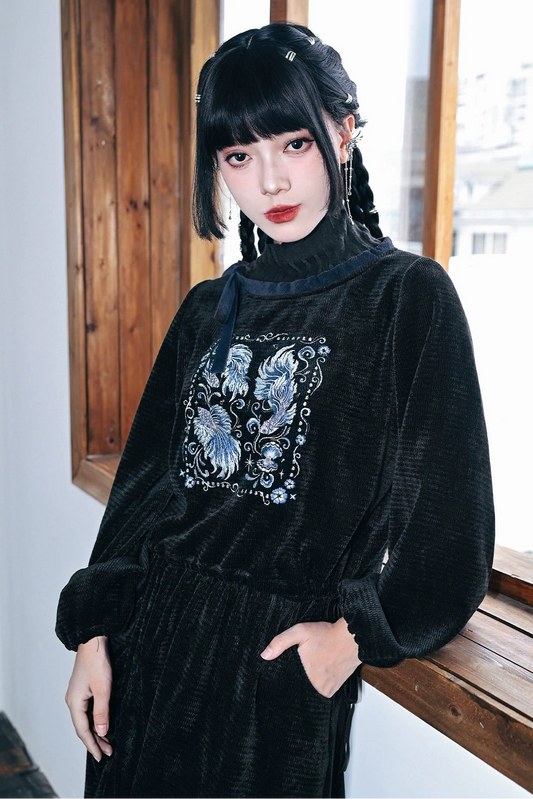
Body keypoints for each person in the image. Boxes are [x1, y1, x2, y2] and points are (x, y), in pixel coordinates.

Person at [55, 21, 496, 799]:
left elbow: (448, 519)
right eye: (238, 155)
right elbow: (146, 493)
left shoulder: (405, 298)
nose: (269, 181)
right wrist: (95, 635)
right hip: (145, 648)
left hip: (270, 675)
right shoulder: (206, 309)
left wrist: (354, 636)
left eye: (293, 144)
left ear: (343, 132)